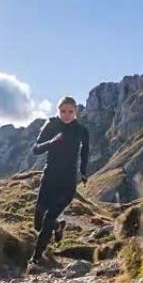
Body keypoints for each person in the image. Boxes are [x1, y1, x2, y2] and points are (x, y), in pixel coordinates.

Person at [30, 96, 89, 264]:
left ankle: (36, 257)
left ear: (76, 112)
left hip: (68, 181)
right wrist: (51, 142)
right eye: (63, 111)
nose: (67, 115)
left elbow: (85, 152)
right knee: (38, 222)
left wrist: (83, 172)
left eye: (70, 111)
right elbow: (36, 149)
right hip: (49, 178)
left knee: (49, 217)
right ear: (58, 111)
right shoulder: (52, 125)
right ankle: (58, 226)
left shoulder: (81, 130)